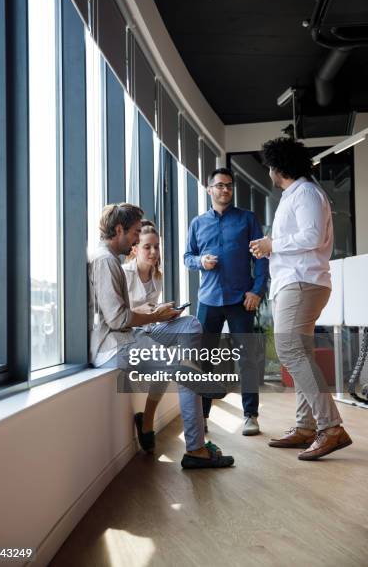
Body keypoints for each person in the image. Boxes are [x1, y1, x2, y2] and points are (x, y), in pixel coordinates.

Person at [88, 203, 234, 469]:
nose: (135, 239)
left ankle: (195, 434)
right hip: (113, 347)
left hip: (127, 338)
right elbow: (119, 318)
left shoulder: (110, 260)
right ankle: (196, 444)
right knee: (183, 367)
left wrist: (158, 314)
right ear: (118, 230)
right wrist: (154, 316)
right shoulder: (107, 261)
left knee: (190, 328)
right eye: (134, 233)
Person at [249, 137, 352, 460]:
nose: (268, 171)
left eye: (269, 166)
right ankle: (306, 427)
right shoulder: (297, 194)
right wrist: (269, 245)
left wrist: (273, 245)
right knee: (301, 351)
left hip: (302, 283)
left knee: (290, 349)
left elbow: (311, 236)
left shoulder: (306, 193)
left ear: (278, 167)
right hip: (297, 282)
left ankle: (330, 426)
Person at [184, 168, 269, 436]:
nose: (225, 190)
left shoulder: (247, 219)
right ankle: (204, 416)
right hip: (208, 300)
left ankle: (250, 415)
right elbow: (187, 257)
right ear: (210, 190)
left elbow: (261, 258)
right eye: (220, 186)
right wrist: (201, 262)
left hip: (240, 299)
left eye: (229, 186)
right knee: (205, 359)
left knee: (247, 359)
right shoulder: (197, 223)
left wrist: (257, 290)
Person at [122, 220, 216, 454]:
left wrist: (166, 314)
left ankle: (192, 372)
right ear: (134, 248)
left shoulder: (156, 276)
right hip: (129, 334)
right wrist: (153, 314)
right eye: (147, 247)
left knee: (192, 323)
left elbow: (151, 315)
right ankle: (148, 420)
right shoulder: (124, 275)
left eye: (156, 247)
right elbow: (120, 316)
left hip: (150, 328)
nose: (153, 252)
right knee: (170, 362)